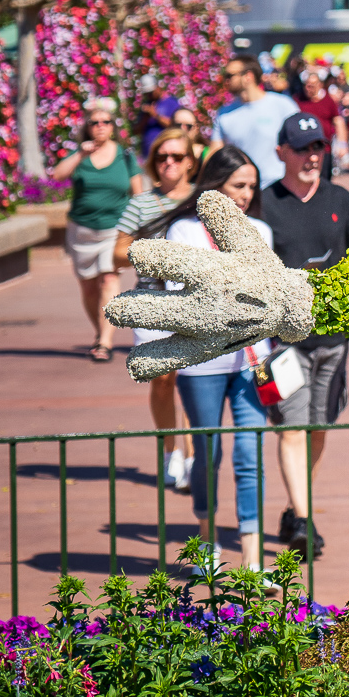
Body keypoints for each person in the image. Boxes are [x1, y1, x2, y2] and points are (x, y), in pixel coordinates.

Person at [129, 145, 271, 568]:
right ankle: (207, 537)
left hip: (252, 358)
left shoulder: (261, 231)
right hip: (203, 359)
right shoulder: (186, 231)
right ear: (214, 188)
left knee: (250, 452)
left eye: (251, 186)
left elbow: (268, 298)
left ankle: (253, 556)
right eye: (237, 186)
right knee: (207, 453)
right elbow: (188, 298)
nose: (245, 194)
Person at [262, 113, 349, 557]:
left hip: (333, 341)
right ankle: (304, 521)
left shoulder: (340, 198)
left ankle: (294, 506)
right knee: (292, 426)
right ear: (281, 153)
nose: (311, 156)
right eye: (302, 148)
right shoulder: (264, 204)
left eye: (318, 148)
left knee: (318, 428)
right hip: (281, 344)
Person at [114, 129, 199, 490]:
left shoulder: (203, 200)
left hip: (196, 301)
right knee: (163, 379)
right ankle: (170, 452)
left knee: (195, 381)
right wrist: (155, 255)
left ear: (190, 162)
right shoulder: (141, 204)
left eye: (177, 157)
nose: (169, 163)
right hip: (151, 301)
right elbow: (118, 253)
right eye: (162, 157)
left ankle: (196, 457)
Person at [51, 101, 142, 362]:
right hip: (82, 231)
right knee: (89, 288)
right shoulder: (80, 155)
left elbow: (138, 194)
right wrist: (80, 153)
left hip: (114, 229)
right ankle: (100, 331)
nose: (100, 126)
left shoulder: (125, 155)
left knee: (109, 280)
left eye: (105, 122)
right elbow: (57, 175)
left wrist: (139, 226)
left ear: (113, 127)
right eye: (94, 122)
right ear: (87, 127)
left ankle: (105, 342)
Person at [209, 55, 298, 187]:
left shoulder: (283, 105)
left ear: (248, 76)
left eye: (230, 75)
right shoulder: (224, 113)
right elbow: (215, 154)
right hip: (242, 191)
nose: (225, 80)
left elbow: (298, 144)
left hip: (278, 188)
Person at [294, 69, 349, 176]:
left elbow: (338, 121)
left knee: (324, 179)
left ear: (319, 85)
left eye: (311, 86)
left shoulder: (328, 101)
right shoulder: (298, 100)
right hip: (303, 149)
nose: (307, 89)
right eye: (306, 85)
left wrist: (343, 144)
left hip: (324, 149)